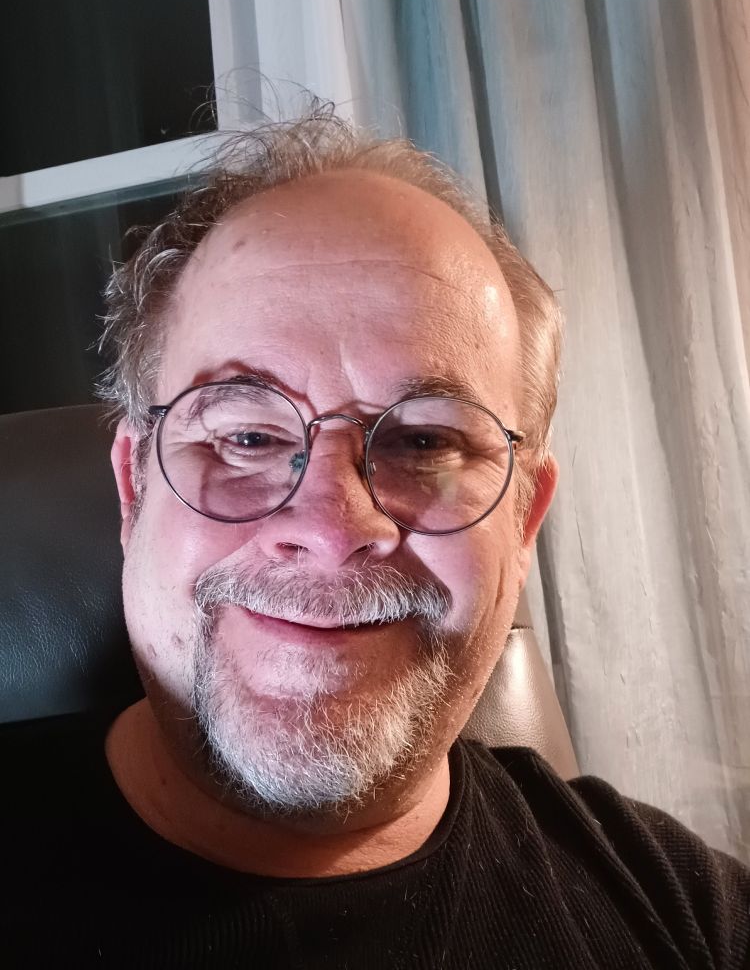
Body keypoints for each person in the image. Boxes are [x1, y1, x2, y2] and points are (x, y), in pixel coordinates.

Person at [5, 106, 748, 969]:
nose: (330, 527)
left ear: (524, 520)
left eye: (424, 441)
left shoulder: (687, 916)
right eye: (246, 437)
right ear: (134, 488)